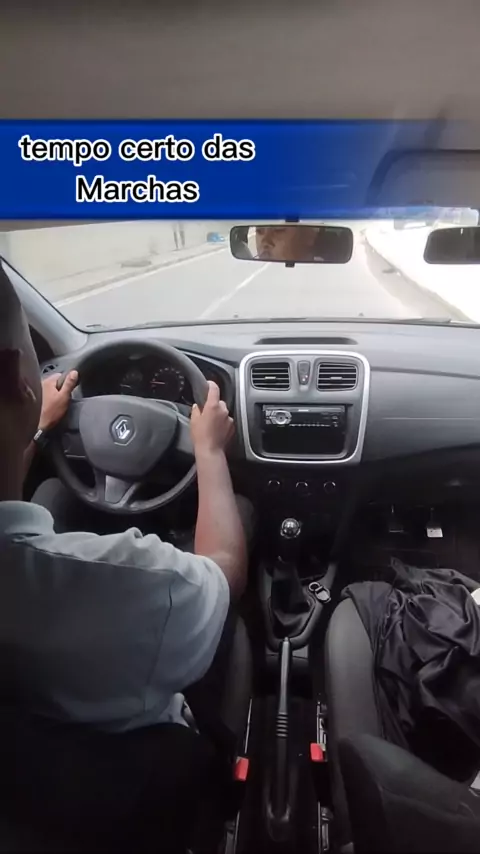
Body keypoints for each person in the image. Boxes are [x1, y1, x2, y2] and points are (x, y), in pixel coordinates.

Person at [0, 264, 251, 748]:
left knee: (53, 495)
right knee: (240, 519)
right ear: (17, 379)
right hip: (134, 773)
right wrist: (209, 451)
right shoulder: (137, 582)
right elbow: (223, 572)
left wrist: (37, 428)